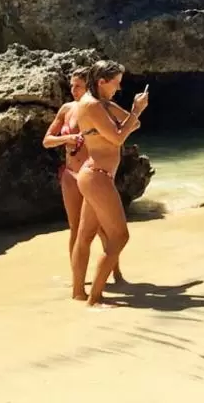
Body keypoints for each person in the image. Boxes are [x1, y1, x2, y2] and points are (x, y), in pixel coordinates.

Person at [70, 61, 148, 306]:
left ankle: (78, 293)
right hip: (97, 175)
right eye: (116, 82)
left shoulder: (100, 105)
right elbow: (116, 139)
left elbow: (134, 125)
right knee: (120, 237)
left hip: (95, 175)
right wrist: (135, 110)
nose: (119, 87)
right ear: (102, 82)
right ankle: (94, 298)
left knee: (86, 235)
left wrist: (126, 111)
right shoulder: (91, 105)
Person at [43, 66, 125, 285]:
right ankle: (77, 281)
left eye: (77, 85)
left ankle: (115, 273)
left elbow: (118, 132)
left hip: (92, 172)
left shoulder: (97, 108)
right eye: (71, 85)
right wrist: (66, 139)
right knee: (76, 228)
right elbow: (47, 140)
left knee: (102, 228)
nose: (73, 90)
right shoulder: (67, 109)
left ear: (88, 85)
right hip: (71, 173)